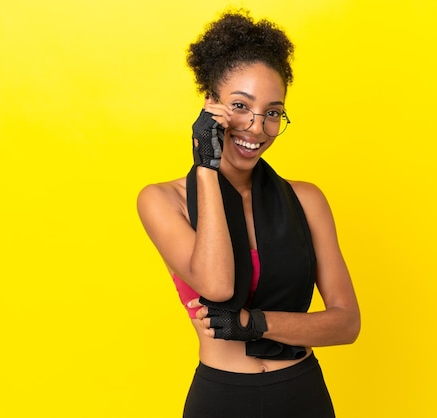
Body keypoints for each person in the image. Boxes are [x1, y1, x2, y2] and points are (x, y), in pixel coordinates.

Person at [137, 9, 360, 418]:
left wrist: (253, 323)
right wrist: (206, 167)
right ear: (211, 105)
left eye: (273, 112)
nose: (257, 128)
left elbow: (346, 324)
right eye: (241, 106)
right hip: (223, 399)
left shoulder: (306, 200)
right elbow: (217, 285)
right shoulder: (163, 201)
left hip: (302, 394)